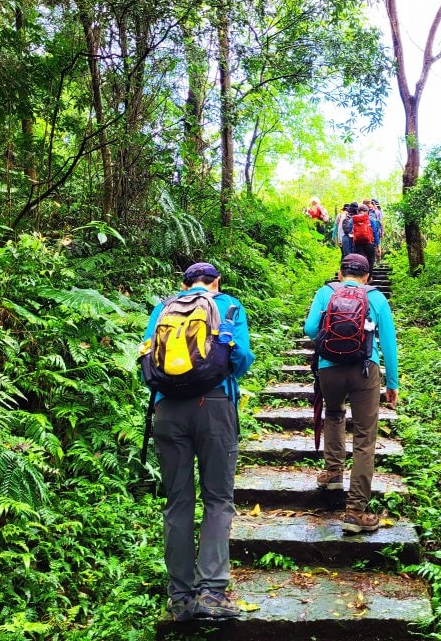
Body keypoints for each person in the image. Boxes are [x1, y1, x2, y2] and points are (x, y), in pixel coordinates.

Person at [142, 262, 254, 621]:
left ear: (185, 284)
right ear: (216, 282)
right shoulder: (229, 306)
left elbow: (147, 363)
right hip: (214, 408)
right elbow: (239, 362)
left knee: (177, 502)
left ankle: (180, 597)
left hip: (167, 412)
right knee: (218, 499)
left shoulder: (163, 308)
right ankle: (212, 593)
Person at [304, 253, 399, 533]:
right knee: (364, 438)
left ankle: (333, 472)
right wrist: (391, 383)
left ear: (339, 272)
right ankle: (356, 510)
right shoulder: (376, 298)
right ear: (367, 276)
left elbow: (310, 329)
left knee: (333, 414)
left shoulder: (325, 292)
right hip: (364, 370)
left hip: (329, 370)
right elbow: (389, 343)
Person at [350, 204, 379, 277]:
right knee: (370, 260)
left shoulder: (353, 219)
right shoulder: (371, 219)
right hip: (369, 243)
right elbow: (375, 232)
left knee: (359, 261)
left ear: (358, 211)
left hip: (357, 244)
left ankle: (360, 277)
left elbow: (350, 231)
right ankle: (369, 278)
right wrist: (377, 244)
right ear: (367, 211)